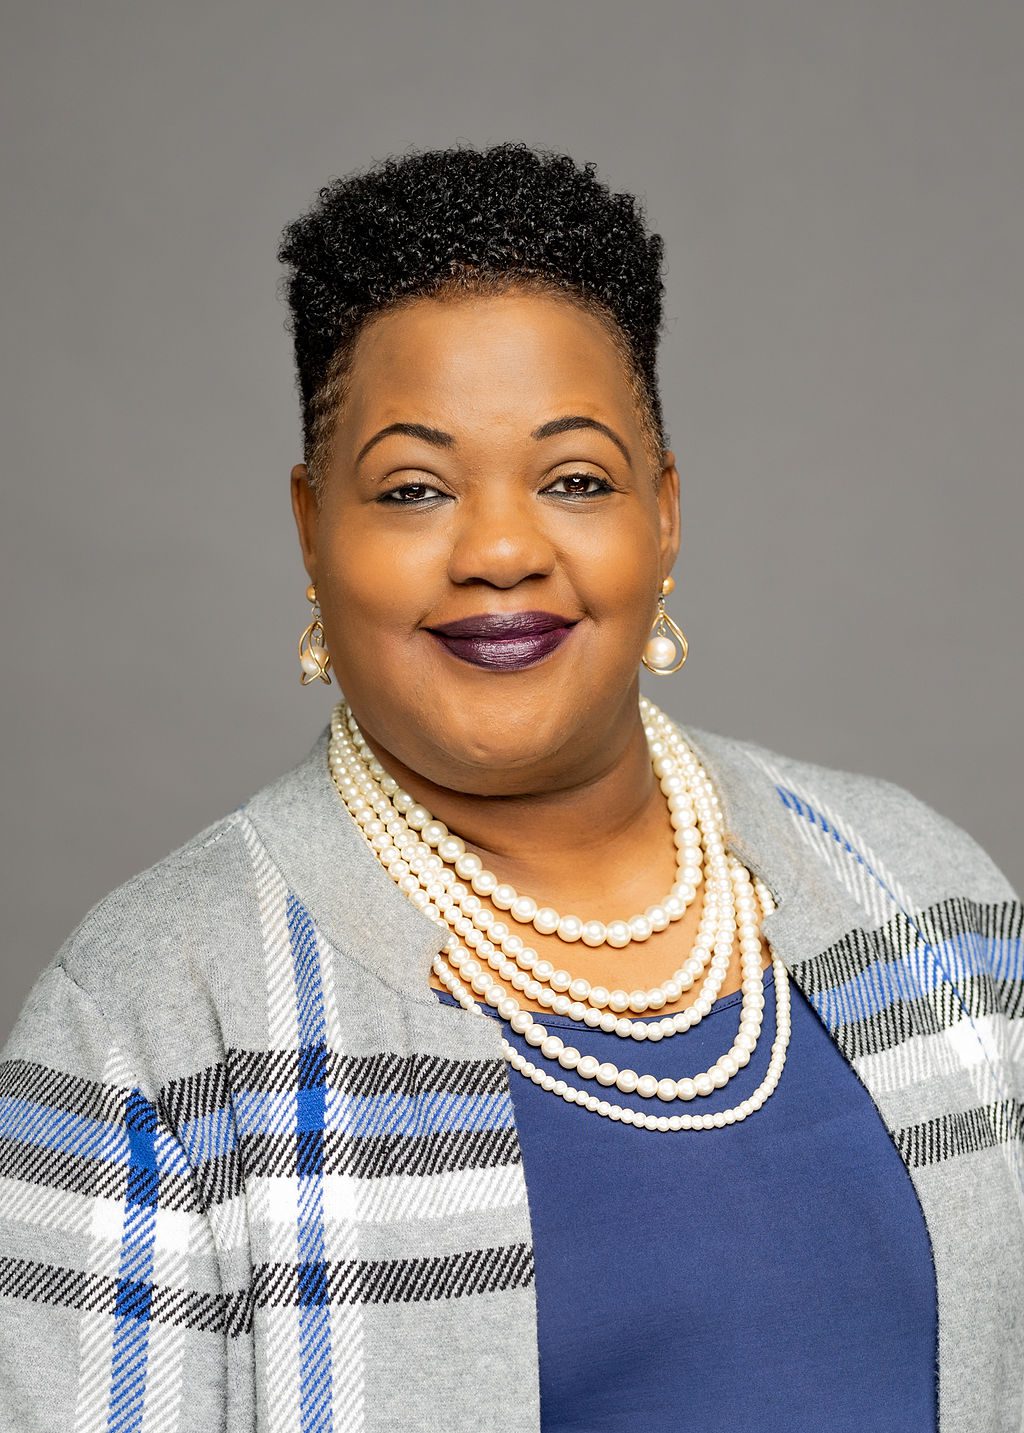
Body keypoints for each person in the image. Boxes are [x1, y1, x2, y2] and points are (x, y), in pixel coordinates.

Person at [0, 141, 1020, 1433]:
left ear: (665, 512)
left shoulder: (931, 899)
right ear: (314, 529)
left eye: (576, 479)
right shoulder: (150, 1018)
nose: (498, 548)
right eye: (414, 487)